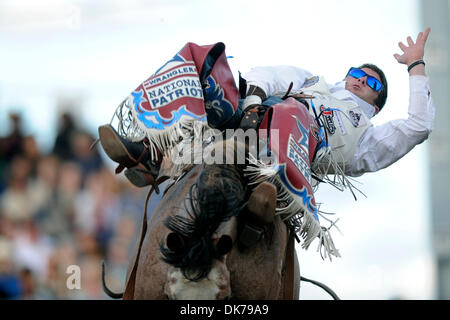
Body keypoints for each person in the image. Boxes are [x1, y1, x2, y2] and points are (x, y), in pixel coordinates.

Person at [97, 29, 434, 257]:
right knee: (203, 58)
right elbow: (268, 74)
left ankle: (263, 205)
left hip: (292, 159)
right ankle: (151, 150)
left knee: (291, 110)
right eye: (356, 73)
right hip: (249, 122)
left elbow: (419, 126)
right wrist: (253, 102)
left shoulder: (368, 138)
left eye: (371, 80)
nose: (360, 80)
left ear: (376, 104)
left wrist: (416, 65)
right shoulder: (312, 80)